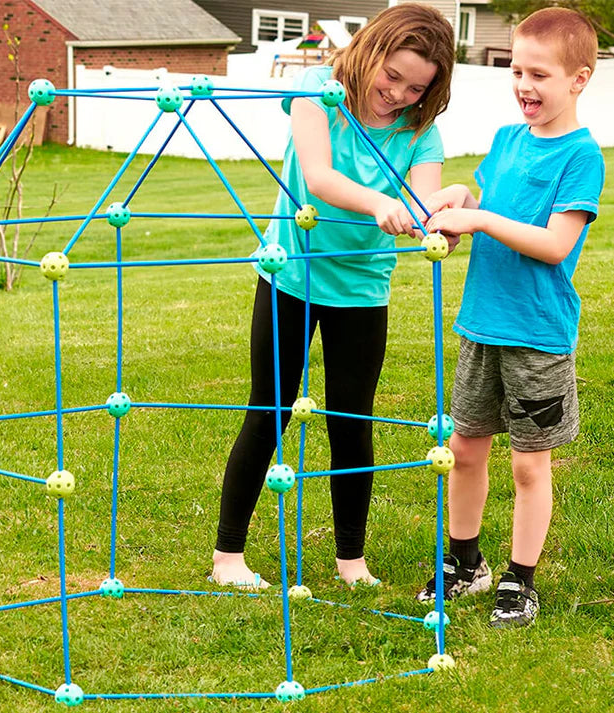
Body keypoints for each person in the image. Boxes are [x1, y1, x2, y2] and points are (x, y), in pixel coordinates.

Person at [211, 3, 456, 589]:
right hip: (290, 277)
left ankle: (352, 562)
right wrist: (378, 203)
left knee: (352, 421)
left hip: (363, 289)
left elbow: (423, 206)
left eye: (415, 87)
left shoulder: (420, 132)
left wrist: (442, 206)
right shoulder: (317, 90)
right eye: (391, 76)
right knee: (268, 409)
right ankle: (228, 558)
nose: (396, 94)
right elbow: (317, 175)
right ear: (368, 52)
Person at [416, 7, 605, 628]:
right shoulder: (506, 141)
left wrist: (481, 218)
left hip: (538, 335)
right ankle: (463, 563)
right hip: (481, 325)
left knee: (528, 462)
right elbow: (488, 207)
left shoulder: (581, 158)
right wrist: (462, 200)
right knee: (465, 450)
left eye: (540, 74)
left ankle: (519, 580)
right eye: (516, 71)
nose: (524, 85)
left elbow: (554, 244)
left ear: (580, 78)